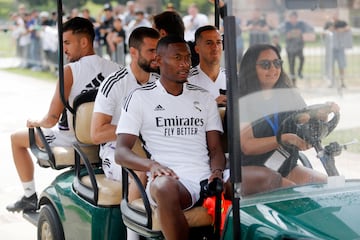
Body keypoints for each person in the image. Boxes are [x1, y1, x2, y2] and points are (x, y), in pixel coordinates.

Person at [115, 35, 229, 240]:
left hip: (208, 178)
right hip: (174, 183)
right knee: (162, 186)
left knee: (260, 177)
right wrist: (151, 165)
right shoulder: (139, 98)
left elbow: (215, 150)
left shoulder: (203, 98)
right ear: (158, 61)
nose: (186, 64)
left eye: (187, 58)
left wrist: (218, 171)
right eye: (178, 57)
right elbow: (121, 152)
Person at [6, 17, 121, 212]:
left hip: (71, 139)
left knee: (16, 138)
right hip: (105, 140)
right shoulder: (116, 69)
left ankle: (29, 196)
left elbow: (51, 119)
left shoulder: (69, 71)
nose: (64, 49)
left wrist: (36, 121)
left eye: (67, 43)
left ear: (84, 42)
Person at [238, 44, 338, 188]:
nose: (273, 69)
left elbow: (304, 121)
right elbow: (247, 145)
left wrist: (322, 114)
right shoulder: (242, 100)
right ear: (251, 68)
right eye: (265, 65)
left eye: (277, 63)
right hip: (251, 169)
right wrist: (286, 139)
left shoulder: (289, 94)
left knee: (328, 188)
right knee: (293, 192)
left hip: (284, 167)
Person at [91, 26, 160, 183]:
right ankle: (130, 208)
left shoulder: (160, 83)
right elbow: (97, 133)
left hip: (151, 146)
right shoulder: (114, 83)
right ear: (134, 52)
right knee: (141, 173)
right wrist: (139, 128)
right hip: (116, 149)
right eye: (151, 51)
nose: (157, 56)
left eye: (158, 50)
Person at [188, 25, 226, 106]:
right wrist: (213, 104)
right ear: (197, 49)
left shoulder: (234, 79)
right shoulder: (186, 80)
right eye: (209, 43)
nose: (215, 47)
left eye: (218, 42)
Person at [279, 11, 314, 86]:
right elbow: (282, 32)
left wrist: (299, 32)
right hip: (290, 48)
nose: (293, 19)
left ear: (296, 18)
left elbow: (310, 28)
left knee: (302, 58)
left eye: (294, 17)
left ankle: (300, 71)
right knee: (291, 65)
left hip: (299, 46)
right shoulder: (286, 24)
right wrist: (294, 33)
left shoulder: (301, 24)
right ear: (289, 18)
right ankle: (293, 83)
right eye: (291, 17)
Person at [324, 11, 351, 88]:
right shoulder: (328, 23)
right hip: (331, 48)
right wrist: (330, 30)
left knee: (341, 65)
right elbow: (324, 32)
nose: (334, 16)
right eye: (333, 14)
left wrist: (340, 30)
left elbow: (348, 28)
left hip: (340, 47)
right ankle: (331, 82)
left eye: (336, 14)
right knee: (331, 66)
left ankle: (342, 82)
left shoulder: (342, 23)